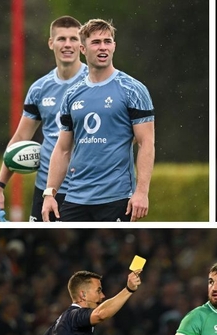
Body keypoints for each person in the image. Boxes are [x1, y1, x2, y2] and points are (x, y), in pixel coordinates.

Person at [41, 18, 155, 222]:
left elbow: (146, 143)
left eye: (107, 41)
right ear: (83, 49)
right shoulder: (72, 94)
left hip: (117, 197)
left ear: (114, 46)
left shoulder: (133, 89)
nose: (103, 47)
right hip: (76, 196)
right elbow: (63, 149)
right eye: (96, 42)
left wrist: (142, 192)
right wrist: (50, 193)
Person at [0, 16, 88, 222]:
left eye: (73, 39)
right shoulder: (40, 89)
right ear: (51, 43)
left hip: (84, 189)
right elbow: (19, 139)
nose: (67, 44)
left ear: (82, 45)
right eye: (61, 39)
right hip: (46, 189)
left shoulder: (94, 82)